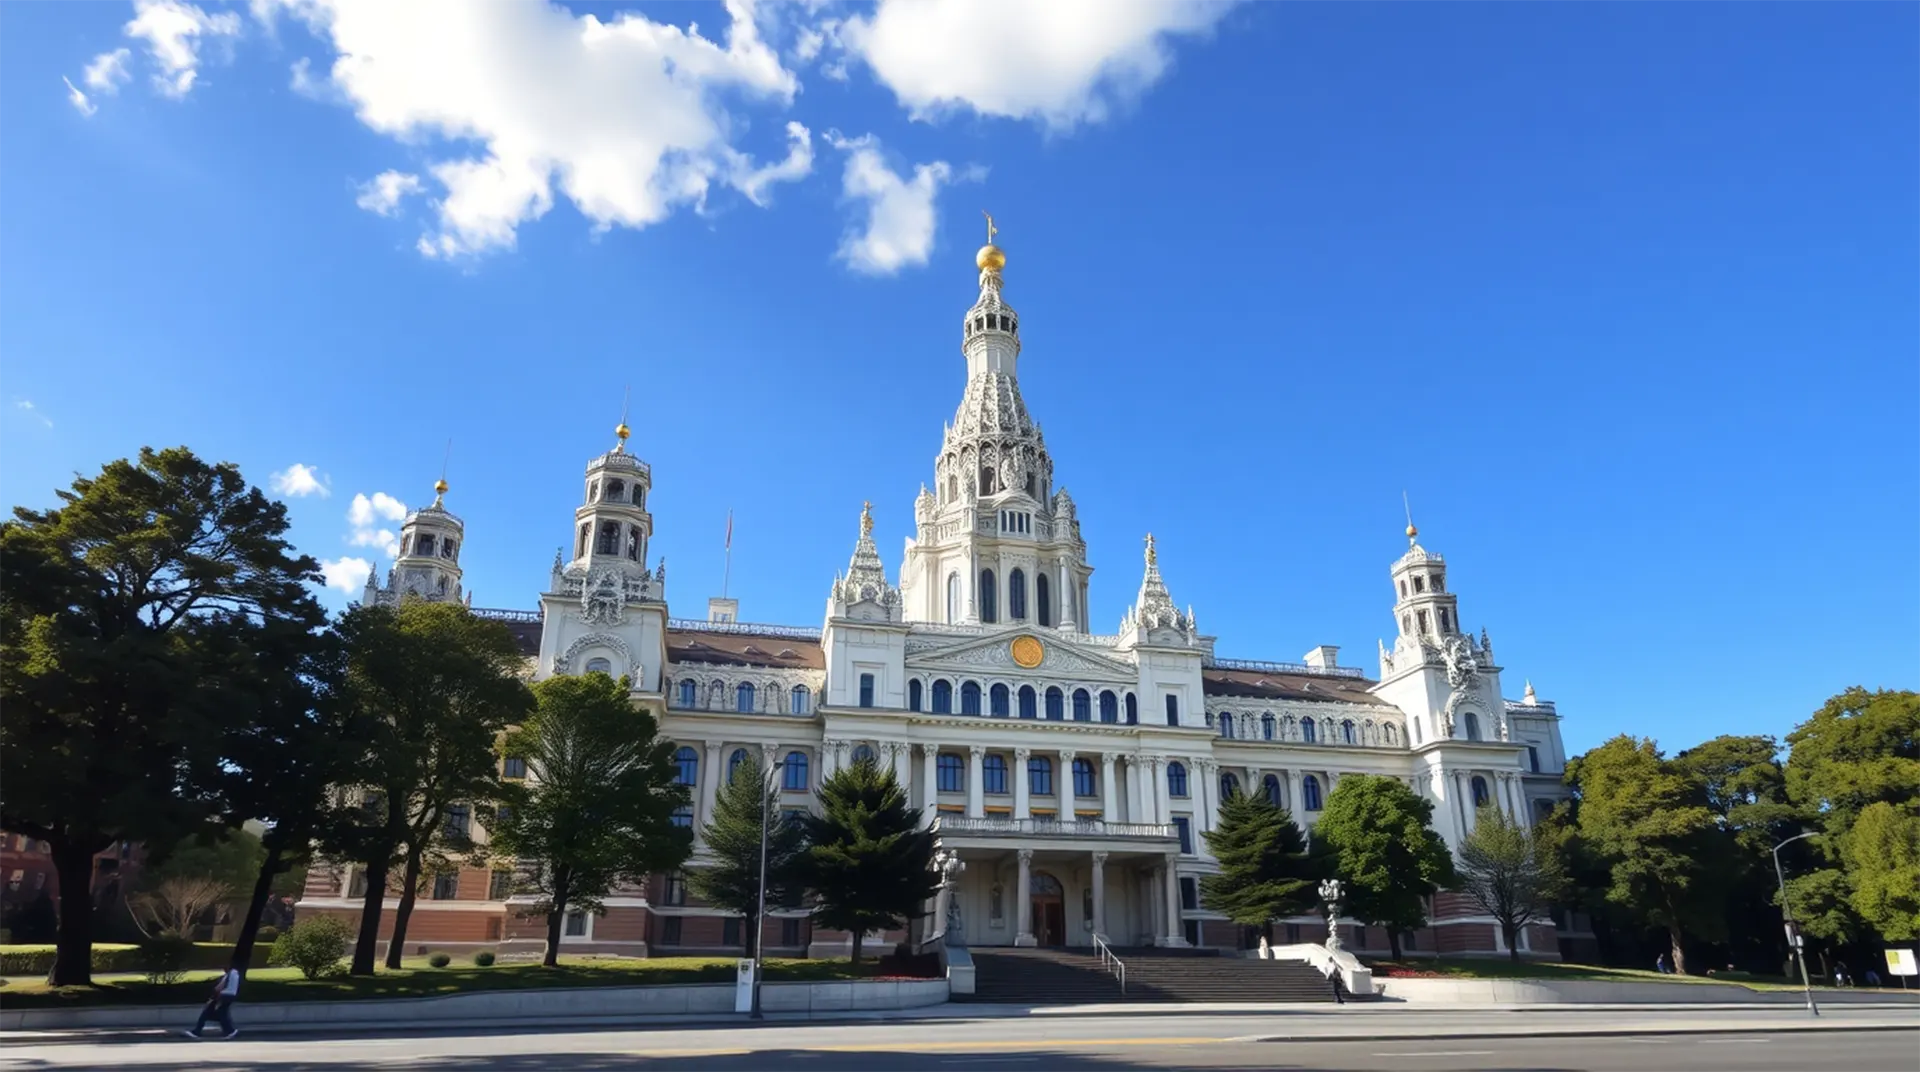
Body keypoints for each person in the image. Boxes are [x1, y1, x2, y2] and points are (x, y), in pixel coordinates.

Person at [184, 965, 242, 1040]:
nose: (223, 969)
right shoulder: (236, 974)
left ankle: (197, 1031)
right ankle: (229, 1030)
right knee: (221, 1013)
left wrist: (213, 996)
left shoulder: (229, 974)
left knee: (210, 1012)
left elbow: (220, 986)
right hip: (231, 995)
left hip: (223, 995)